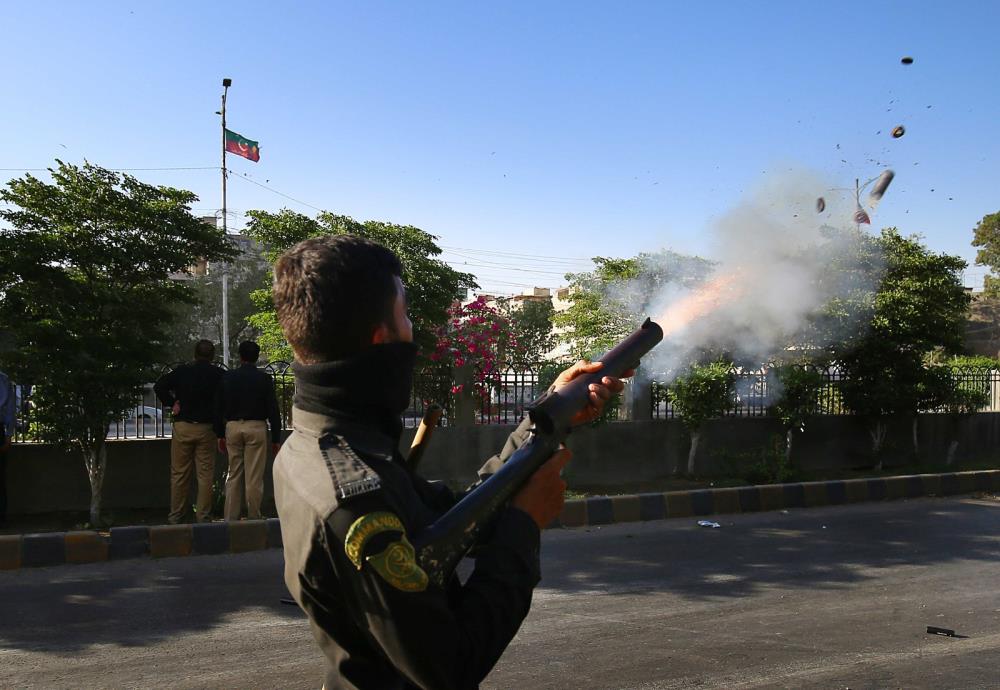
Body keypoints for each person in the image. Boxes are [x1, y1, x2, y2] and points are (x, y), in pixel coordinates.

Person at [272, 235, 628, 689]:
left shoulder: (319, 447)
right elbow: (448, 666)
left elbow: (455, 519)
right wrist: (523, 525)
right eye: (405, 314)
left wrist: (549, 415)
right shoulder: (357, 500)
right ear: (381, 337)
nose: (413, 328)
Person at [154, 340, 224, 524]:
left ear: (195, 354)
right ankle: (203, 516)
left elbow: (159, 386)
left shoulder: (182, 371)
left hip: (183, 426)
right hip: (207, 429)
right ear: (212, 356)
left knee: (179, 473)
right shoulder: (219, 375)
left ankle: (176, 515)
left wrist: (172, 403)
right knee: (205, 474)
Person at [214, 340, 282, 521]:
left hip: (233, 427)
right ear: (257, 357)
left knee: (233, 472)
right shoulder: (264, 379)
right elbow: (273, 409)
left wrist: (220, 434)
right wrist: (276, 437)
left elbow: (219, 407)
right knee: (254, 475)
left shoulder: (228, 377)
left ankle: (230, 516)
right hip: (256, 426)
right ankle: (254, 514)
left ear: (240, 356)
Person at [0, 370, 14, 526]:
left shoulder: (3, 379)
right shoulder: (4, 379)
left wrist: (8, 435)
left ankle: (1, 517)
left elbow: (10, 411)